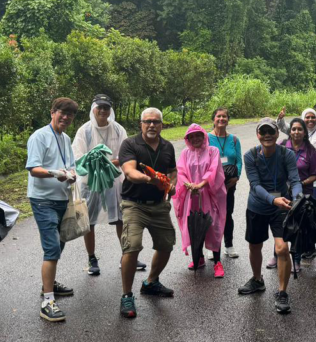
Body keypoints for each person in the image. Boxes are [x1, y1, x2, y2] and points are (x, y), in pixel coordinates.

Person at [117, 108, 178, 318]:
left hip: (159, 205)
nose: (152, 125)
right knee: (132, 246)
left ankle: (151, 282)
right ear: (141, 124)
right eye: (148, 121)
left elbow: (172, 171)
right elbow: (129, 172)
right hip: (134, 204)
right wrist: (151, 180)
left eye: (156, 122)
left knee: (166, 244)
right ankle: (126, 295)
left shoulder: (167, 146)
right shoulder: (130, 144)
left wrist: (171, 184)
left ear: (161, 124)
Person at [238, 118, 302, 314]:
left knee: (282, 248)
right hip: (258, 206)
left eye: (271, 131)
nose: (267, 135)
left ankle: (282, 292)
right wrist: (273, 200)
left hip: (280, 207)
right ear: (258, 135)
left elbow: (295, 180)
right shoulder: (250, 156)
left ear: (277, 134)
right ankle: (257, 280)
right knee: (255, 245)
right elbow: (255, 185)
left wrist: (297, 199)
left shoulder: (286, 154)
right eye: (263, 131)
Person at [26, 98, 79, 323]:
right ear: (52, 112)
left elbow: (71, 165)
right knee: (52, 248)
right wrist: (54, 173)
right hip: (43, 200)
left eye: (70, 114)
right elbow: (33, 168)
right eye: (62, 112)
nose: (65, 117)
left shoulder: (65, 138)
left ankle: (48, 284)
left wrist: (71, 174)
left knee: (59, 243)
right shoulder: (39, 136)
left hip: (62, 198)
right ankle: (48, 302)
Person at [72, 94, 134, 277]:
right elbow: (77, 157)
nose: (103, 111)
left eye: (106, 108)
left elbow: (125, 154)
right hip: (90, 182)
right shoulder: (84, 131)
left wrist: (106, 163)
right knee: (88, 221)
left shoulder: (118, 129)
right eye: (100, 107)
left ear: (110, 110)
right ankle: (91, 258)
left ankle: (126, 255)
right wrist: (95, 162)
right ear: (94, 109)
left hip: (114, 181)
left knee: (120, 219)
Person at [173, 124, 227, 277]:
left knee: (213, 226)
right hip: (191, 196)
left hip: (210, 195)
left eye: (198, 135)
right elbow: (180, 172)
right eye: (191, 136)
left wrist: (201, 185)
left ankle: (217, 262)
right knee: (193, 225)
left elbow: (214, 170)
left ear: (204, 136)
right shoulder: (185, 153)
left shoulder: (212, 151)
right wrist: (189, 185)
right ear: (187, 139)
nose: (195, 138)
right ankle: (199, 258)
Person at [279, 117, 316, 270]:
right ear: (290, 131)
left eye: (300, 129)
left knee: (298, 227)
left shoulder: (310, 150)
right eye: (293, 129)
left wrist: (300, 184)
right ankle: (278, 255)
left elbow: (315, 174)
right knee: (280, 224)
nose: (296, 132)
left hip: (303, 194)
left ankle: (296, 260)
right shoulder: (282, 146)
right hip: (283, 192)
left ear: (304, 132)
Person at [208, 107, 242, 262]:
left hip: (229, 184)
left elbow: (239, 161)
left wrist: (237, 177)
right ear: (214, 119)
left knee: (227, 214)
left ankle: (229, 245)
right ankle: (212, 247)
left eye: (224, 117)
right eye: (218, 116)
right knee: (212, 215)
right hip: (211, 184)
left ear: (228, 120)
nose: (221, 119)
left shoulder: (234, 140)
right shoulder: (206, 138)